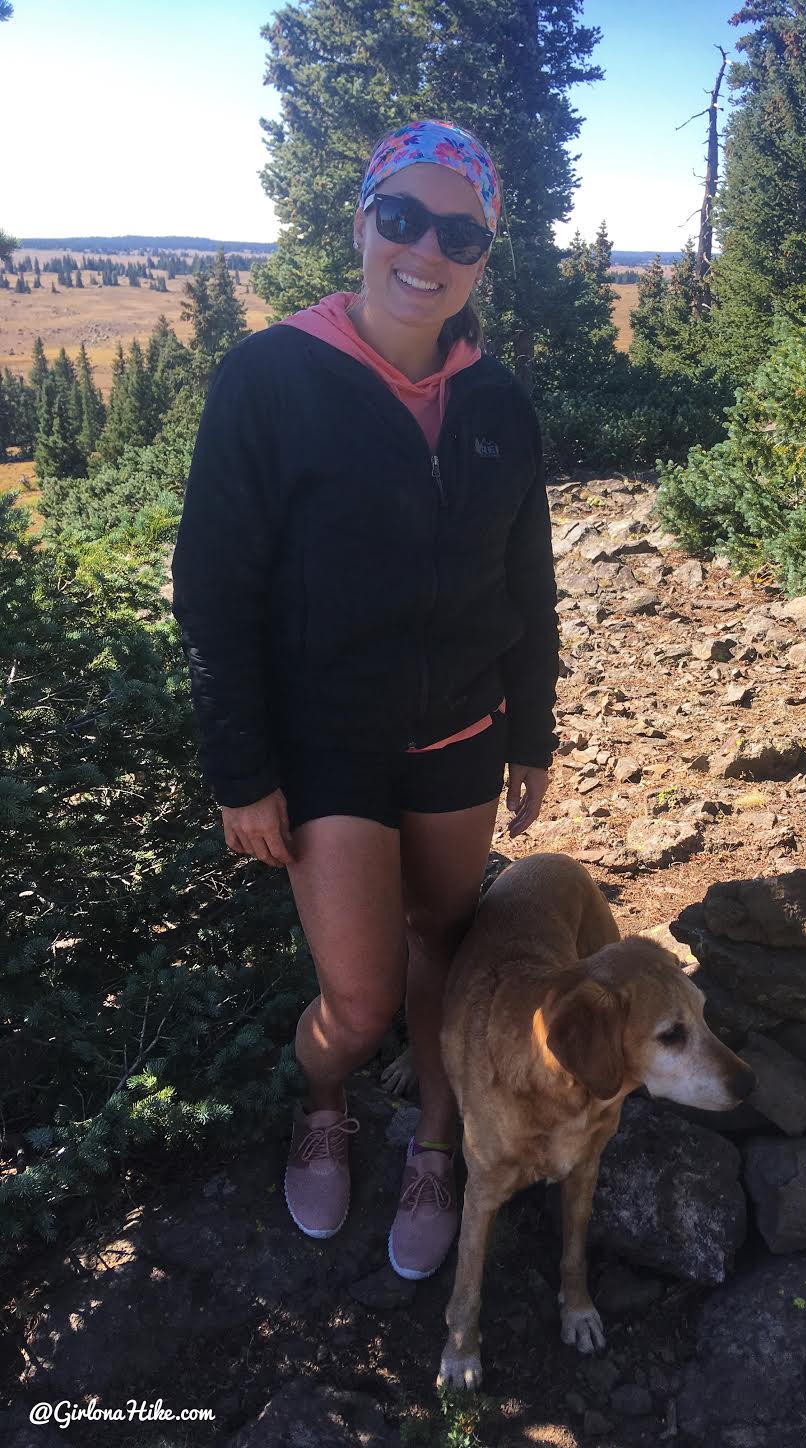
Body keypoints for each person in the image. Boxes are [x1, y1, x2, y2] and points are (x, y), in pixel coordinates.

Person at [170, 119, 560, 1281]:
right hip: (327, 740)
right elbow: (213, 583)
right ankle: (327, 1095)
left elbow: (528, 583)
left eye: (460, 232)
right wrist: (242, 767)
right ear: (360, 221)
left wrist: (530, 730)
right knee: (359, 991)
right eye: (403, 217)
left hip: (459, 732)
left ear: (483, 257)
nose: (426, 249)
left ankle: (436, 1138)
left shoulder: (499, 401)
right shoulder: (272, 376)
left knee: (447, 942)